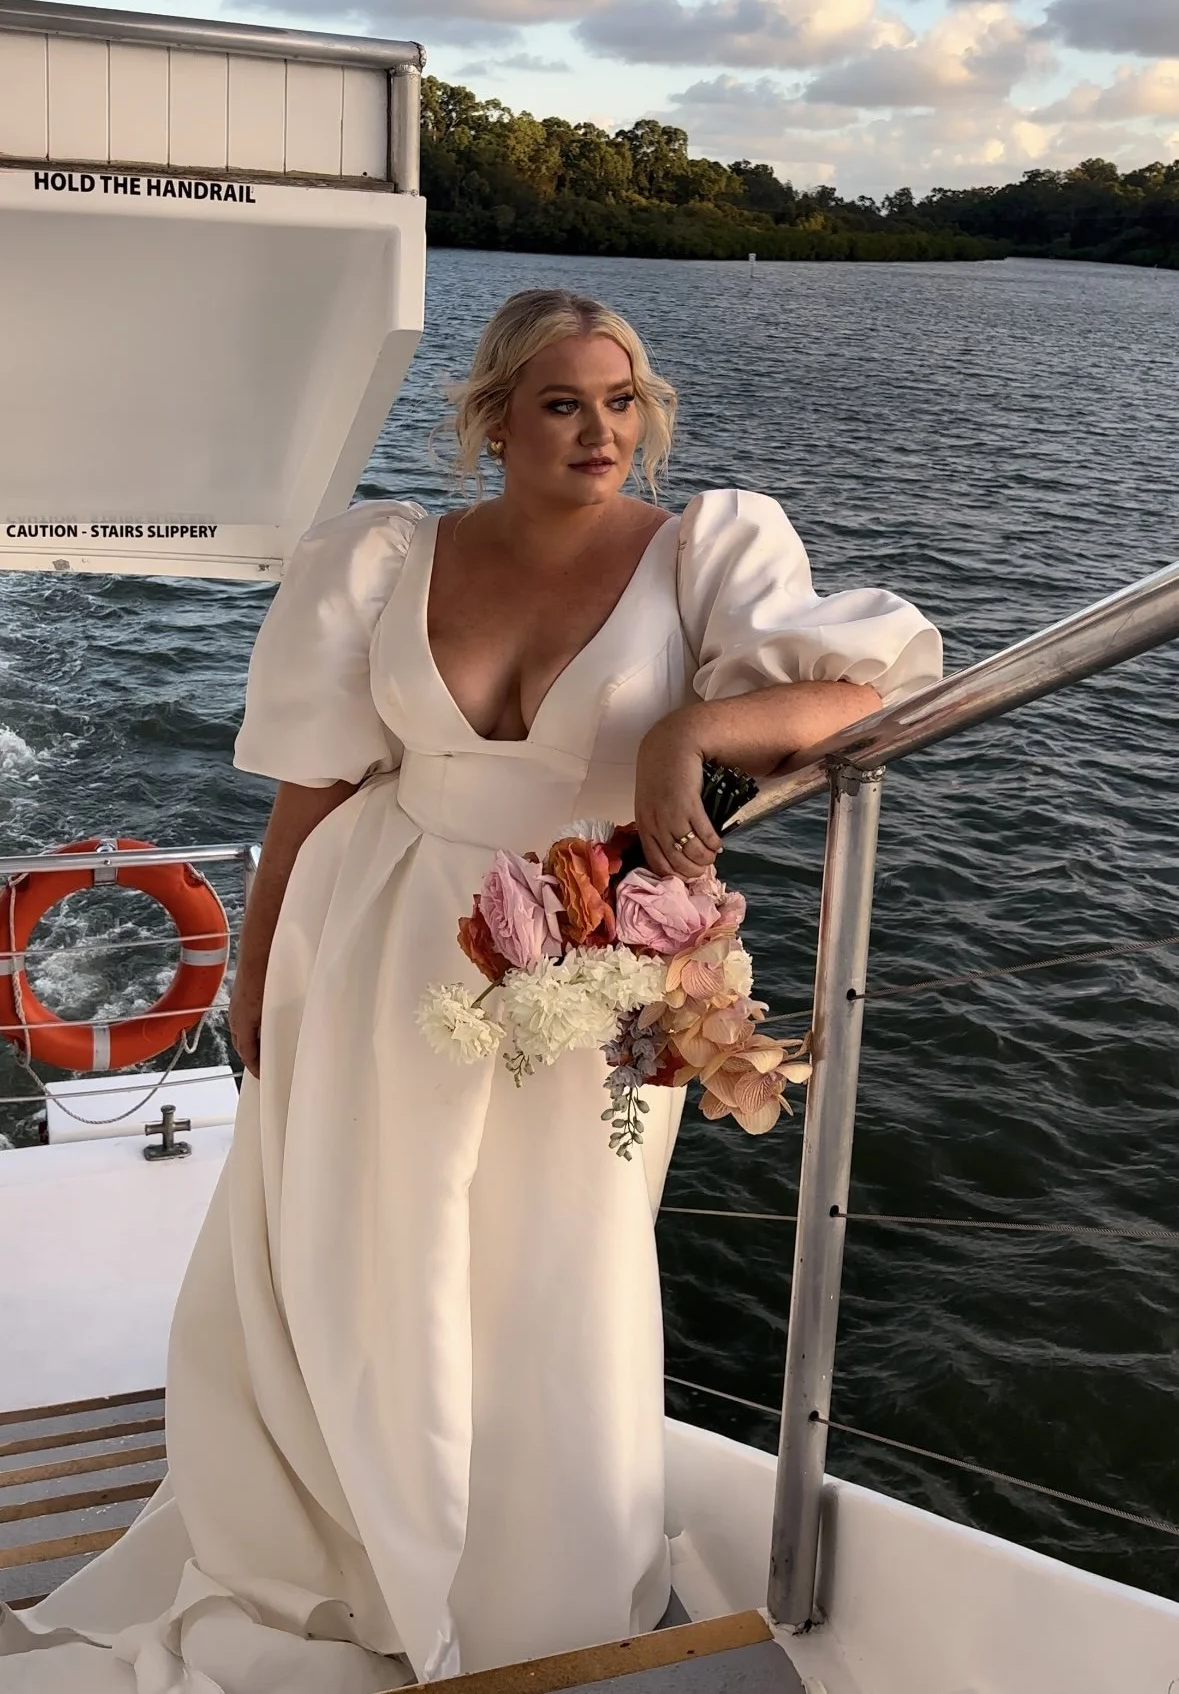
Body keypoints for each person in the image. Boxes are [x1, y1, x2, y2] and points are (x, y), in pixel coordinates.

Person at [0, 289, 942, 1693]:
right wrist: (255, 974)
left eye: (621, 402)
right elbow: (317, 785)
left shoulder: (702, 555)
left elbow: (850, 690)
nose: (599, 431)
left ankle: (513, 1557)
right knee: (358, 1242)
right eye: (563, 403)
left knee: (548, 1261)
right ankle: (355, 1530)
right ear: (493, 415)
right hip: (367, 939)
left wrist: (691, 730)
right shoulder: (382, 559)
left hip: (583, 962)